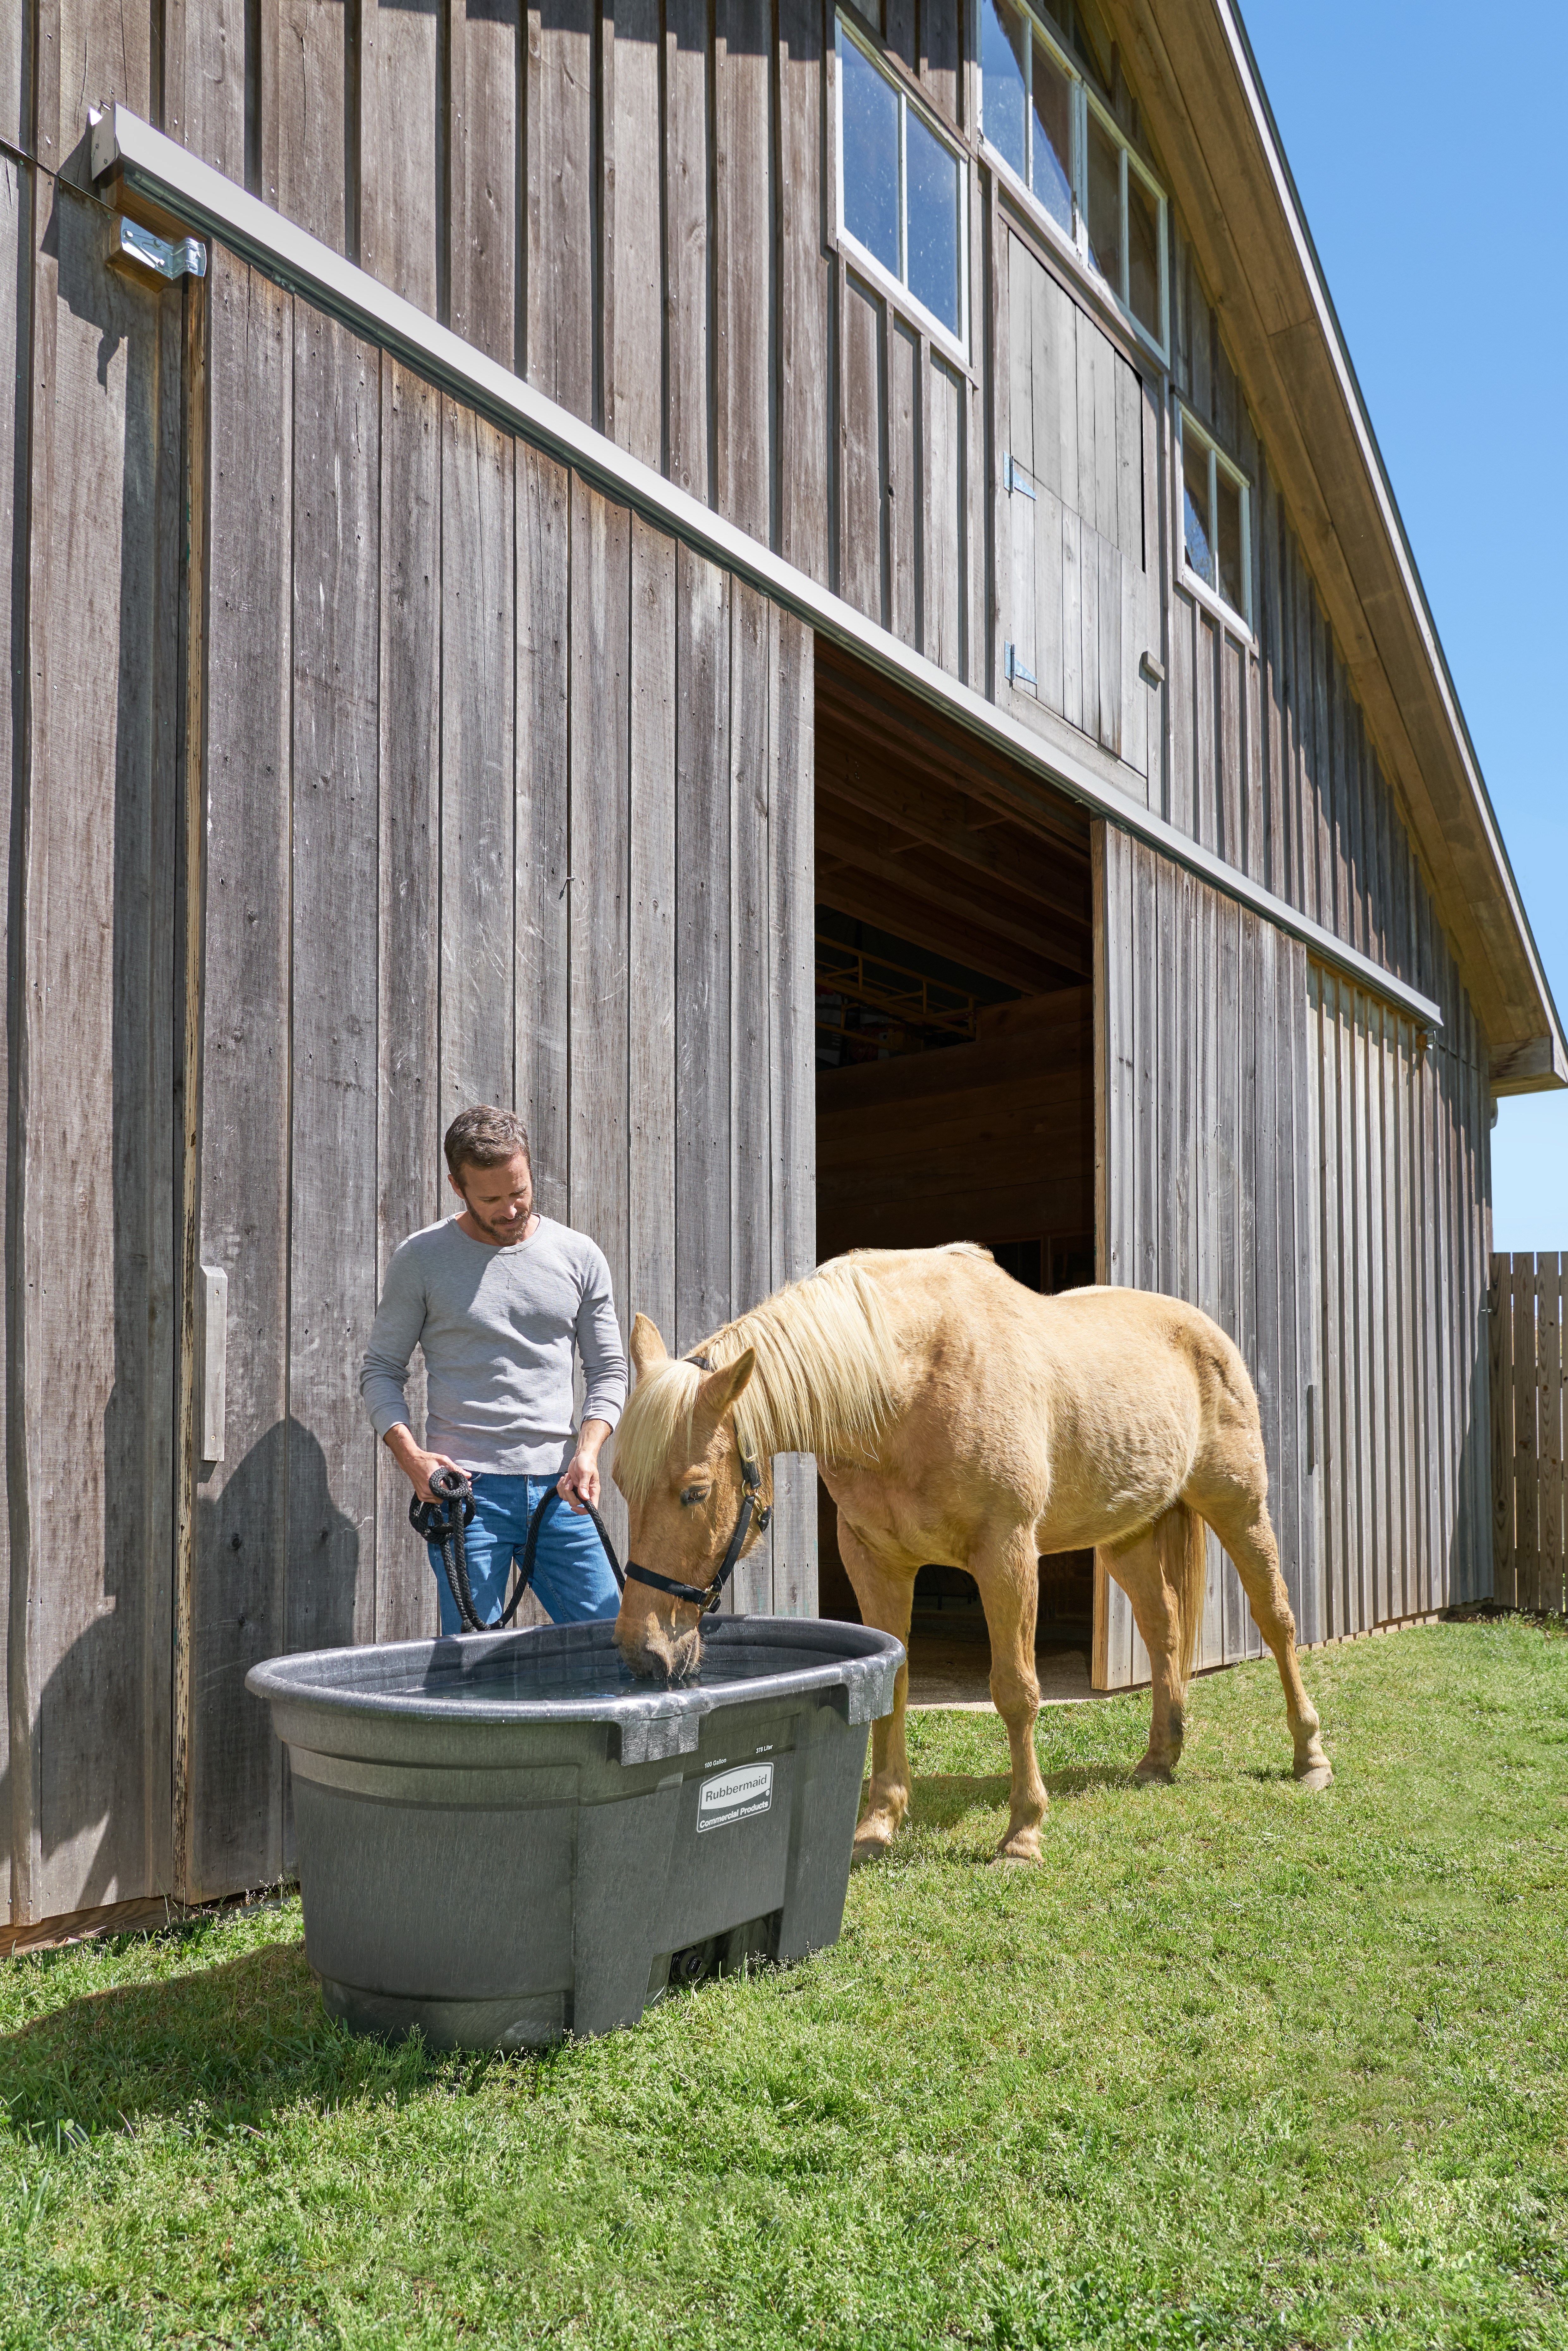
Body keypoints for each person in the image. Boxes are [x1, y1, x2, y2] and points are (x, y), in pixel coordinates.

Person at [361, 1104, 628, 1634]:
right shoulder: (422, 1258)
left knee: (612, 1647)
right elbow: (381, 1370)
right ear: (457, 1187)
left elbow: (609, 1369)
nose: (511, 1210)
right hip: (466, 1497)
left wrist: (589, 1453)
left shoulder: (579, 1256)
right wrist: (413, 1460)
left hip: (561, 1490)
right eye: (492, 1199)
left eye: (520, 1191)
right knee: (472, 1667)